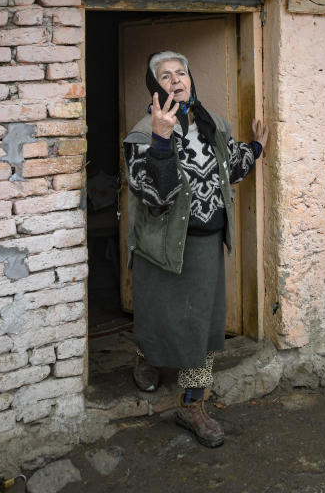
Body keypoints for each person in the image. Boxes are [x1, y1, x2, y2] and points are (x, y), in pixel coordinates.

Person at [123, 50, 268, 448]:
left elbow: (232, 165)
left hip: (205, 247)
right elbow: (157, 196)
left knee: (202, 330)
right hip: (163, 247)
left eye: (181, 72)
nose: (176, 80)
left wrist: (256, 148)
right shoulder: (140, 135)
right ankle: (148, 356)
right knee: (158, 315)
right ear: (155, 87)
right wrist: (161, 139)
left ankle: (192, 405)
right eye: (165, 75)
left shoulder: (212, 125)